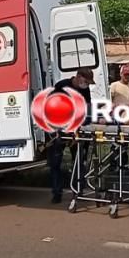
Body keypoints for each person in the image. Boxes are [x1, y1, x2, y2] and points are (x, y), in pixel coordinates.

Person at [46, 67, 95, 204]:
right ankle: (57, 193)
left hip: (76, 130)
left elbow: (88, 108)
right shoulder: (62, 86)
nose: (86, 84)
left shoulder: (84, 90)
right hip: (59, 129)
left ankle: (77, 190)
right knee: (56, 163)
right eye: (85, 81)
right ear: (78, 76)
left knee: (79, 161)